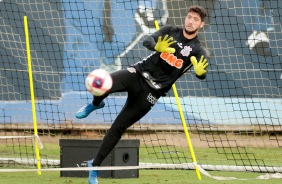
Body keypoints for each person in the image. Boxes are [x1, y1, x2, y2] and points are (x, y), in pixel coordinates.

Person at [75, 5, 209, 184]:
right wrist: (156, 47)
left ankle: (94, 167)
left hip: (152, 92)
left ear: (201, 25)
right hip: (137, 74)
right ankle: (96, 103)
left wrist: (200, 72)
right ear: (186, 18)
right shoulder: (170, 30)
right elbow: (147, 41)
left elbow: (203, 72)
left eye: (196, 20)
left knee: (118, 127)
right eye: (190, 17)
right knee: (103, 83)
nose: (191, 21)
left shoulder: (198, 49)